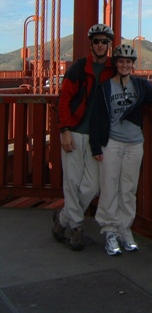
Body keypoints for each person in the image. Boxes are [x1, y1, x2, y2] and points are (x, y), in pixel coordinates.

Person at [89, 43, 152, 256]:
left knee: (129, 188)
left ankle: (125, 228)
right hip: (111, 143)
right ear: (115, 64)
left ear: (133, 65)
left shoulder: (139, 84)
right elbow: (96, 119)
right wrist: (96, 146)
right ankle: (110, 231)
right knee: (109, 186)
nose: (124, 65)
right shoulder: (104, 88)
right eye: (121, 61)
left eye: (128, 62)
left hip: (134, 143)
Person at [52, 23, 115, 251]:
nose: (100, 45)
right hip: (75, 132)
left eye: (104, 41)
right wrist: (65, 130)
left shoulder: (114, 70)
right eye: (97, 41)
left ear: (109, 45)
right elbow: (64, 100)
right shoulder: (78, 68)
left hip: (97, 137)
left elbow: (134, 88)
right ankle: (76, 228)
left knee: (91, 186)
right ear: (91, 44)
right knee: (71, 181)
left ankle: (62, 220)